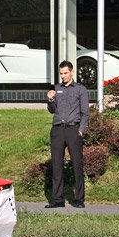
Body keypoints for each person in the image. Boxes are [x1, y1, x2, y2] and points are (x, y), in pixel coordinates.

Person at [45, 60, 89, 208]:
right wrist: (50, 99)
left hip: (73, 130)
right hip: (57, 130)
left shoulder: (80, 89)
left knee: (77, 164)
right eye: (61, 73)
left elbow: (85, 113)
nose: (63, 76)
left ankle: (79, 200)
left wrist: (81, 130)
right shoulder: (56, 89)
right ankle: (58, 200)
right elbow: (51, 110)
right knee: (57, 165)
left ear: (71, 72)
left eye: (65, 73)